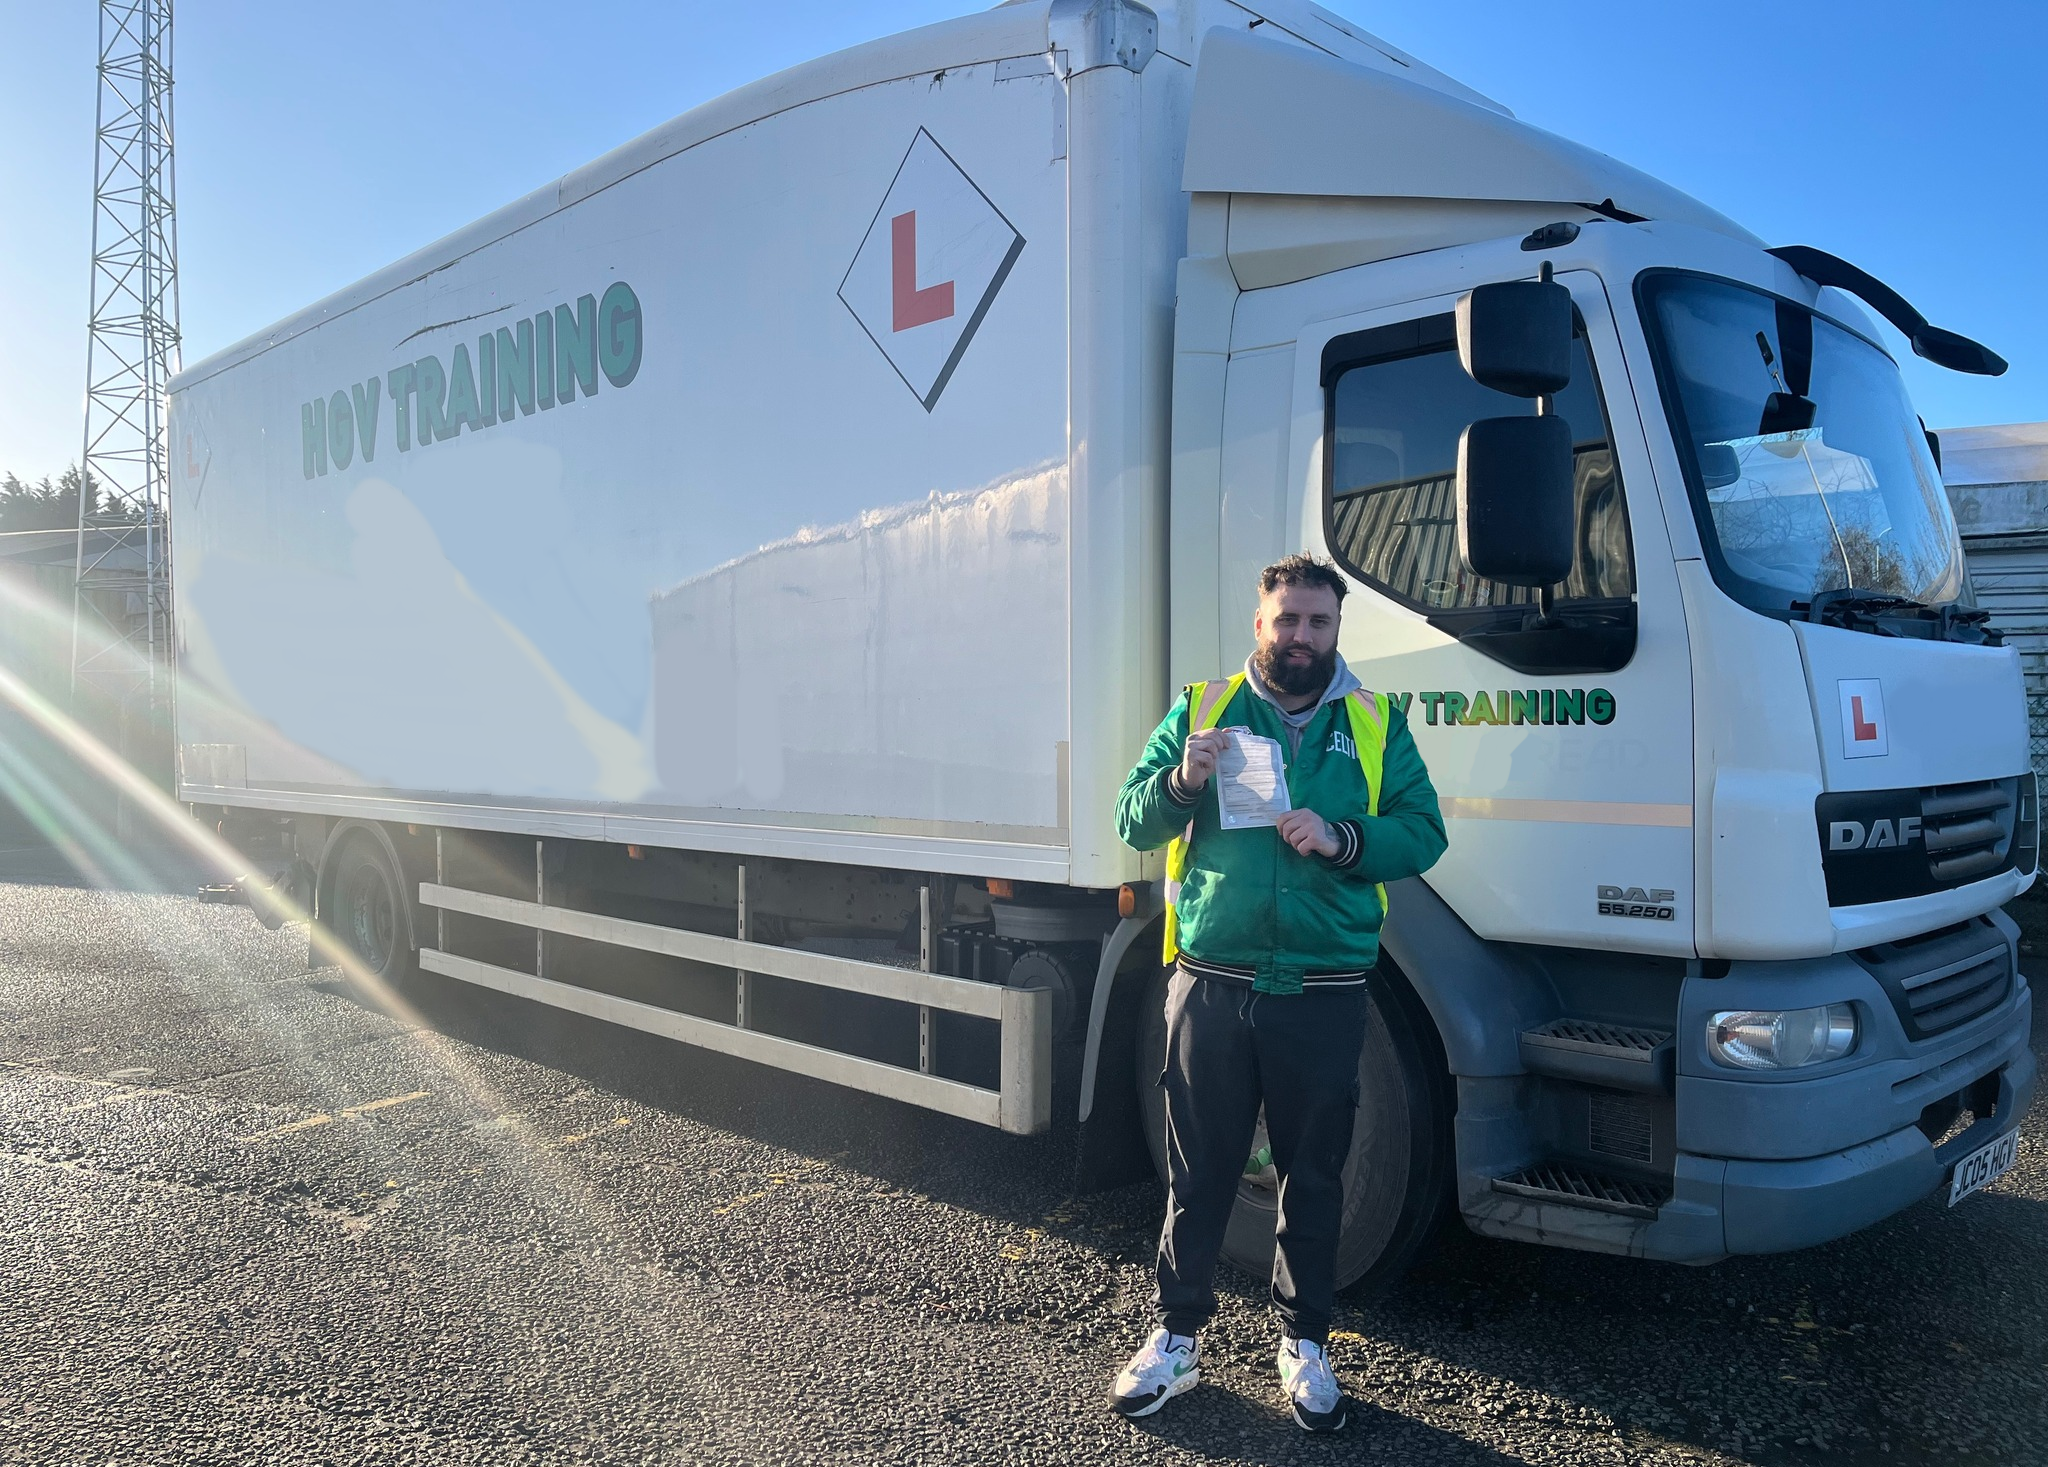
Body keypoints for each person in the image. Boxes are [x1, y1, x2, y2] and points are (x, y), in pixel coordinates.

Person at [1106, 554, 1446, 1434]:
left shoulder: (1375, 723)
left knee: (1315, 1174)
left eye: (1317, 623)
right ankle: (1176, 1338)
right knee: (1201, 1171)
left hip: (1324, 990)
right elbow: (1131, 817)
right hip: (1211, 984)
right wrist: (1183, 778)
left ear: (1338, 630)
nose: (1300, 636)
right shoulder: (1204, 708)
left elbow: (1423, 830)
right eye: (1285, 619)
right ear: (1259, 624)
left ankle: (1305, 1341)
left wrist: (1340, 836)